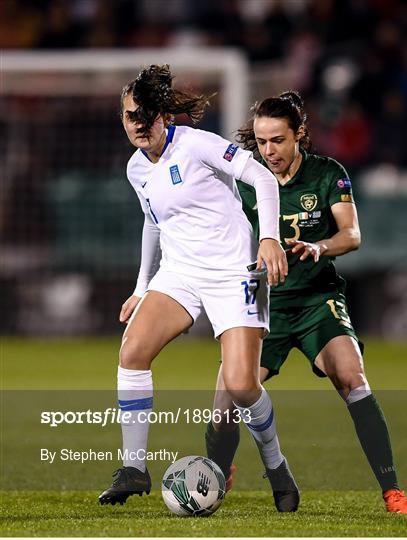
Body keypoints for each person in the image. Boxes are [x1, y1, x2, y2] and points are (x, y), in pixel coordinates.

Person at [205, 91, 407, 514]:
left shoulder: (328, 174)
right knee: (225, 401)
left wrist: (320, 247)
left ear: (299, 135)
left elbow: (352, 235)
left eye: (278, 140)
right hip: (260, 304)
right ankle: (215, 473)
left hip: (315, 299)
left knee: (351, 375)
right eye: (262, 141)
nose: (269, 151)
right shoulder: (243, 180)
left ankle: (392, 492)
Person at [98, 65, 299, 511]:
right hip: (181, 272)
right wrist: (141, 287)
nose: (138, 125)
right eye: (131, 116)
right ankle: (134, 469)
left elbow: (263, 178)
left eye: (147, 116)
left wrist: (269, 238)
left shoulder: (197, 144)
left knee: (242, 385)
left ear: (164, 116)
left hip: (235, 272)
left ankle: (277, 467)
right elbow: (153, 224)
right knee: (132, 352)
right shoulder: (136, 168)